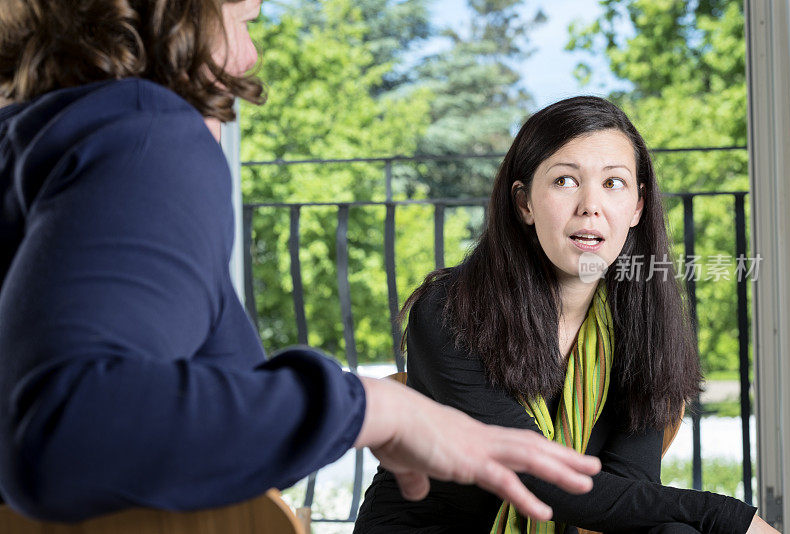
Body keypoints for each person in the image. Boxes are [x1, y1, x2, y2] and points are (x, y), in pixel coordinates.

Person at [0, 0, 604, 524]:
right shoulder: (145, 136)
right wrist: (376, 408)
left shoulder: (36, 146)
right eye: (242, 19)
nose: (248, 56)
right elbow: (70, 431)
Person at [354, 97, 779, 534]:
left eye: (614, 183)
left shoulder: (643, 322)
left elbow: (628, 486)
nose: (590, 205)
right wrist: (731, 517)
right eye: (564, 181)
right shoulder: (450, 311)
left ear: (637, 206)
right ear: (524, 204)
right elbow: (541, 481)